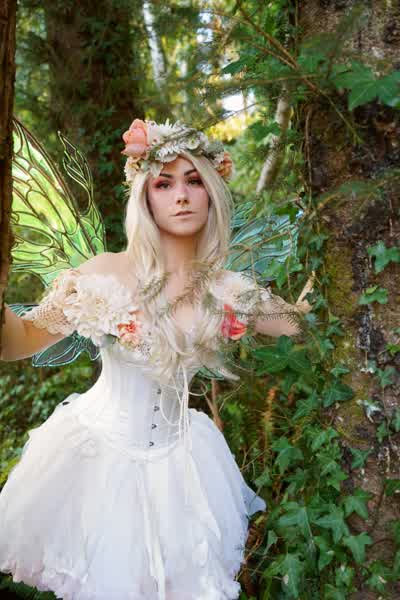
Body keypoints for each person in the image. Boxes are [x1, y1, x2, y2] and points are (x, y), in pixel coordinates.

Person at [0, 118, 314, 599]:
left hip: (183, 469)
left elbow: (304, 328)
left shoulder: (230, 290)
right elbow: (17, 341)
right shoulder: (104, 273)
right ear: (145, 197)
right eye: (164, 184)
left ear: (212, 192)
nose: (181, 196)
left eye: (193, 181)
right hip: (97, 459)